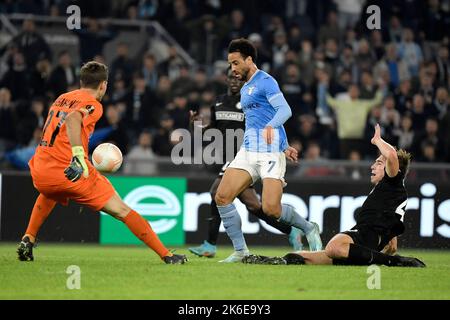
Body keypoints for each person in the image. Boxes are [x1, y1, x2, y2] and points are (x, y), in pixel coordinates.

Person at [17, 61, 187, 264]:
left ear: (81, 81)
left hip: (40, 170)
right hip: (69, 170)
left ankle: (28, 238)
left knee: (49, 193)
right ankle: (167, 255)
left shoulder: (62, 98)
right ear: (103, 85)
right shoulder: (94, 105)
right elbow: (73, 119)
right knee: (122, 210)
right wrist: (79, 156)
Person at [243, 124, 426, 268]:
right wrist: (390, 240)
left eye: (378, 163)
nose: (372, 166)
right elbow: (391, 226)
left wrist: (377, 140)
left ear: (394, 169)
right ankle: (272, 261)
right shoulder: (390, 191)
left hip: (363, 238)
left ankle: (391, 262)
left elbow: (392, 156)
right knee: (303, 257)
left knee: (334, 247)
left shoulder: (392, 181)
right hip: (364, 246)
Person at [214, 38, 322, 263]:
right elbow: (260, 118)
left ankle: (308, 227)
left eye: (235, 63)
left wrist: (276, 138)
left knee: (271, 209)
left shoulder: (266, 81)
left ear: (249, 60)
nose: (232, 69)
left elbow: (285, 110)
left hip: (269, 153)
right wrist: (285, 143)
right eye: (230, 64)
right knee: (222, 196)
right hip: (248, 150)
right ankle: (241, 251)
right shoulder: (245, 88)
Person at [188, 70, 305, 258]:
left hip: (249, 155)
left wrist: (283, 145)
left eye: (237, 77)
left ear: (242, 80)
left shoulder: (249, 102)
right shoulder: (218, 102)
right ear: (226, 79)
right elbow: (212, 130)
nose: (234, 81)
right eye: (231, 77)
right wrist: (197, 126)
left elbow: (269, 120)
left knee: (216, 193)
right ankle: (291, 230)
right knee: (255, 206)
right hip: (234, 159)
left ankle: (210, 245)